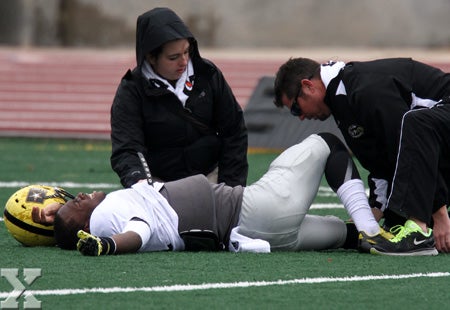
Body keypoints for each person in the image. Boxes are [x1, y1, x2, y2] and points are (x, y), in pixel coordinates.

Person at [33, 133, 391, 256]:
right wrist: (108, 245)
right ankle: (374, 227)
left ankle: (389, 236)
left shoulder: (108, 211)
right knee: (325, 143)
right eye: (75, 204)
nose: (78, 196)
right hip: (254, 210)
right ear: (85, 225)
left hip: (258, 235)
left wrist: (59, 222)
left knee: (345, 236)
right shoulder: (106, 215)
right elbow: (139, 232)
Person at [273, 57, 450, 255]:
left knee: (414, 124)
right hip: (439, 136)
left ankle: (420, 230)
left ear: (308, 86)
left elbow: (411, 143)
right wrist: (373, 214)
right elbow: (382, 160)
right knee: (395, 220)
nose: (301, 117)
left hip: (439, 121)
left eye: (296, 108)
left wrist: (439, 213)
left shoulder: (364, 88)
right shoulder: (340, 101)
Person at [110, 7, 248, 188]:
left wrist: (230, 187)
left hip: (210, 178)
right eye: (173, 57)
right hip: (160, 185)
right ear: (151, 57)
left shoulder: (208, 74)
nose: (183, 61)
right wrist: (142, 185)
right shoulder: (131, 90)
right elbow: (128, 149)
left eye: (186, 51)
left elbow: (234, 131)